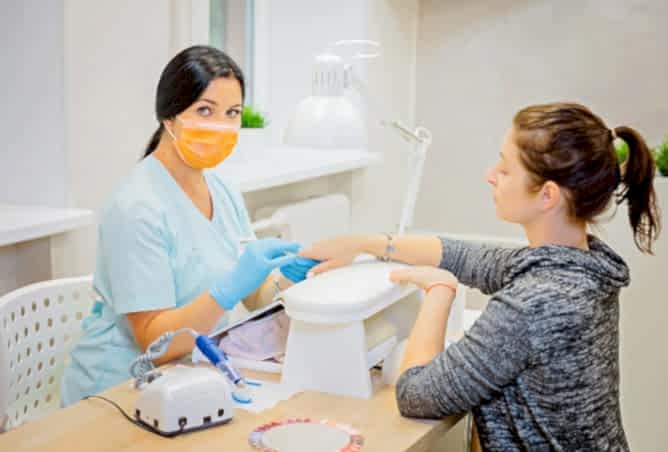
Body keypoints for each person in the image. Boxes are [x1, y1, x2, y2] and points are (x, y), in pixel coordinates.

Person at [300, 103, 660, 450]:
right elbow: (462, 256)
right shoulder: (582, 267)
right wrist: (363, 243)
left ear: (547, 195)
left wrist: (439, 291)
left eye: (505, 169)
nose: (490, 175)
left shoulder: (535, 304)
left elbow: (415, 395)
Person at [61, 46, 316, 406]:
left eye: (232, 113)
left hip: (189, 376)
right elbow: (155, 343)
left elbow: (252, 294)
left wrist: (285, 278)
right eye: (205, 110)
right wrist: (224, 292)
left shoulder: (223, 191)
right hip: (118, 392)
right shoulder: (136, 207)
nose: (221, 125)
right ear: (169, 116)